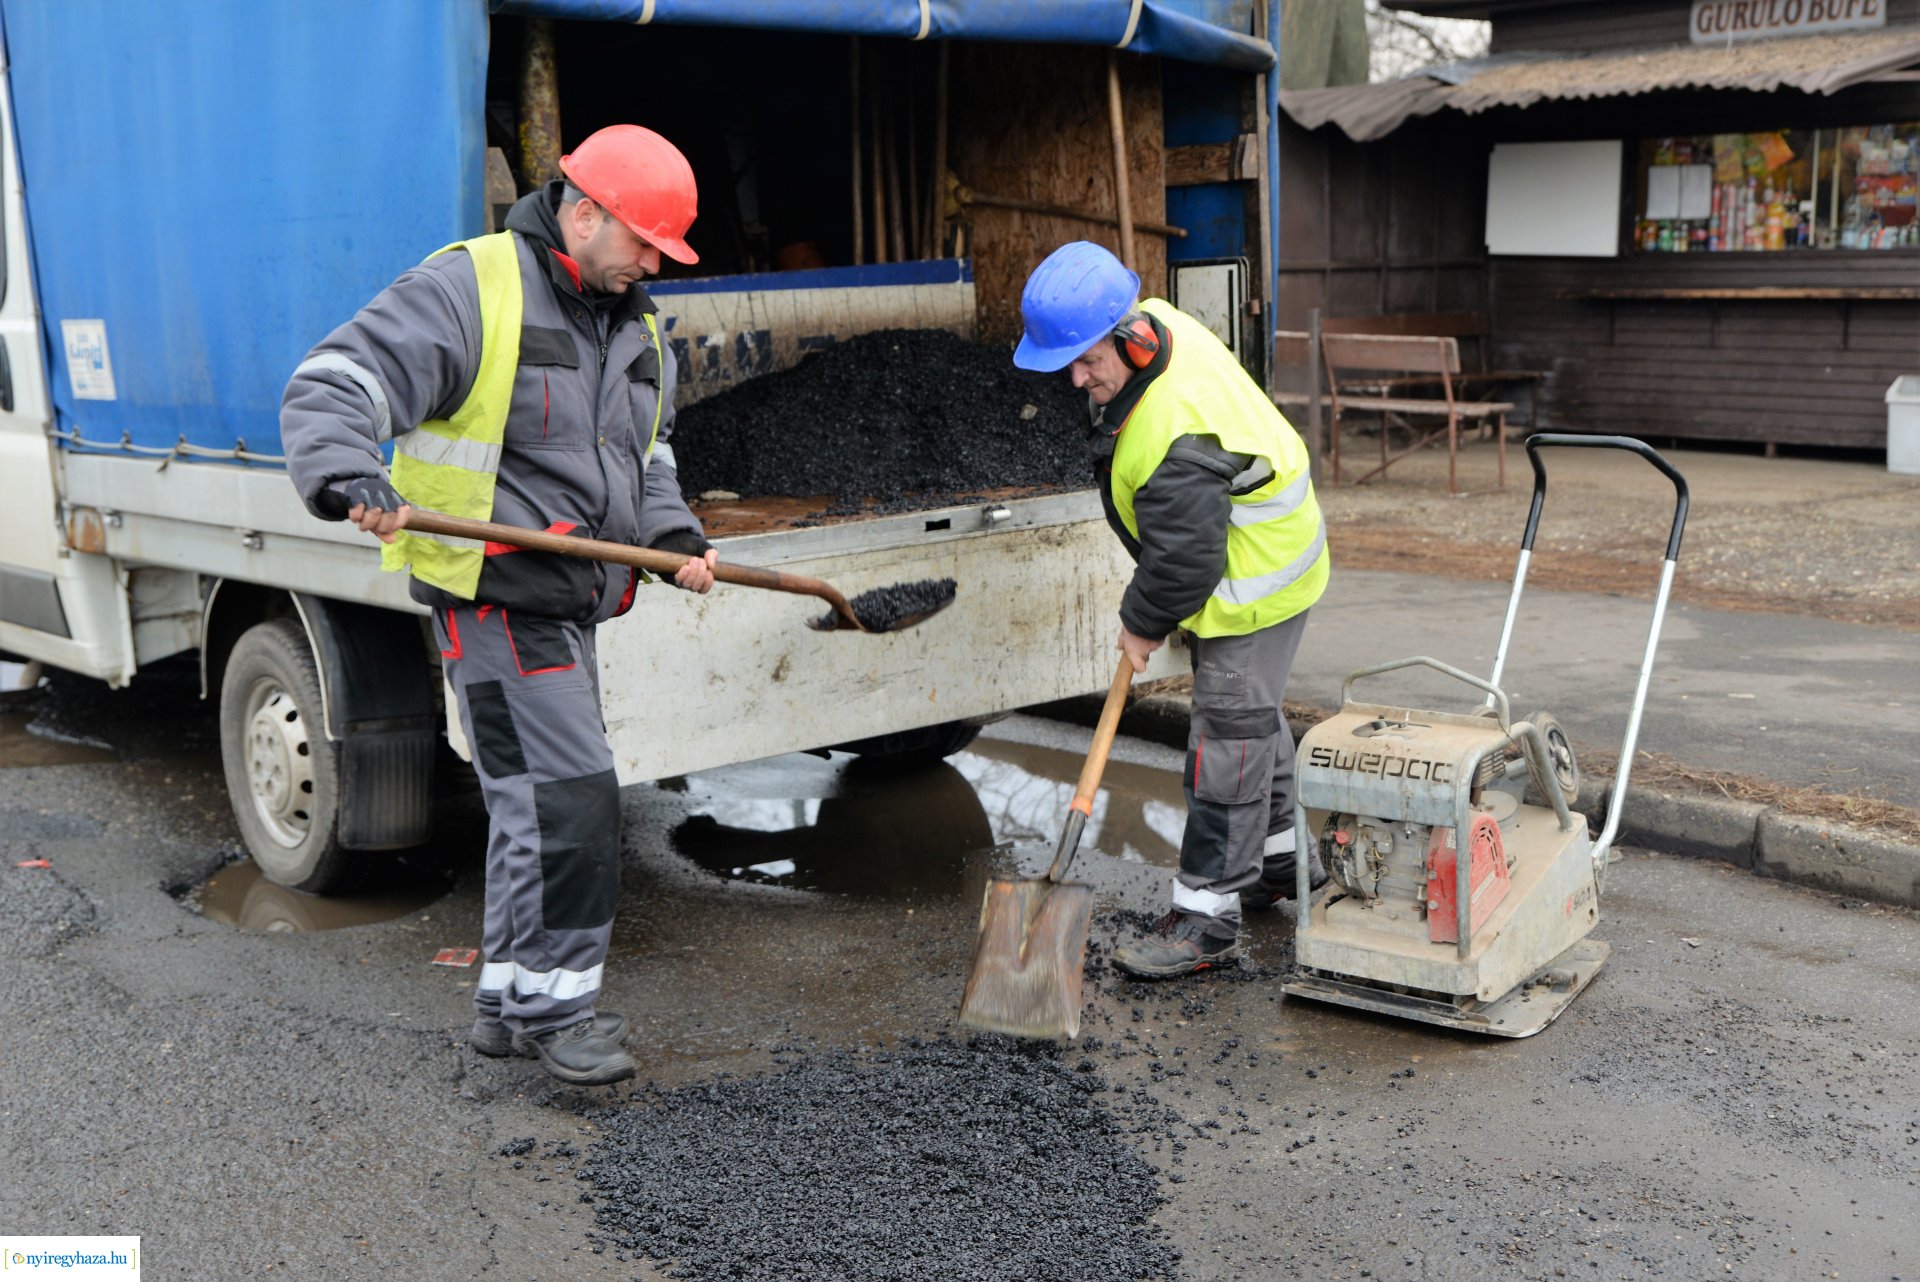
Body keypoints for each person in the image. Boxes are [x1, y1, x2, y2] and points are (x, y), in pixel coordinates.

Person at [280, 125, 717, 1084]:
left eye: (663, 251)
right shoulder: (473, 287)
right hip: (497, 594)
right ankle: (564, 1017)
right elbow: (334, 383)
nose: (653, 264)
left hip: (571, 601)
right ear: (585, 210)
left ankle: (511, 1007)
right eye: (643, 241)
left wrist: (672, 535)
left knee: (529, 801)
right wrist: (350, 471)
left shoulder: (634, 323)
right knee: (572, 799)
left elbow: (648, 458)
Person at [1012, 241, 1331, 980]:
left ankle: (1206, 918)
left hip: (1254, 581)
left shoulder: (1173, 432)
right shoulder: (1153, 320)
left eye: (1088, 361)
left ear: (1127, 337)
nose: (1077, 378)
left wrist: (1141, 622)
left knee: (1226, 741)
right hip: (1264, 557)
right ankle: (1283, 865)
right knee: (1253, 721)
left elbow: (1186, 561)